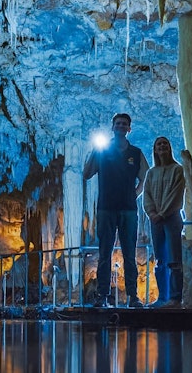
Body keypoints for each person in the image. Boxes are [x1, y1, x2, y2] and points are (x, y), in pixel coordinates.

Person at [83, 112, 149, 308]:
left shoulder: (135, 153)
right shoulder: (102, 151)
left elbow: (145, 176)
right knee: (105, 253)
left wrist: (135, 194)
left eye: (124, 124)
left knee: (130, 254)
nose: (121, 126)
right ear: (113, 127)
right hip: (106, 208)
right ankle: (102, 295)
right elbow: (87, 174)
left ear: (129, 129)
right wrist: (95, 150)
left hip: (128, 209)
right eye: (118, 123)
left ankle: (133, 296)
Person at [144, 137, 186, 308]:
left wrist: (161, 213)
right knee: (160, 259)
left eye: (165, 144)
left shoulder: (177, 170)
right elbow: (146, 195)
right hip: (155, 221)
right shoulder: (151, 173)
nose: (162, 146)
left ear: (170, 148)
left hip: (171, 218)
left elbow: (176, 194)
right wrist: (152, 212)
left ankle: (175, 298)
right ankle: (162, 297)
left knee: (174, 259)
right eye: (159, 144)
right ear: (155, 149)